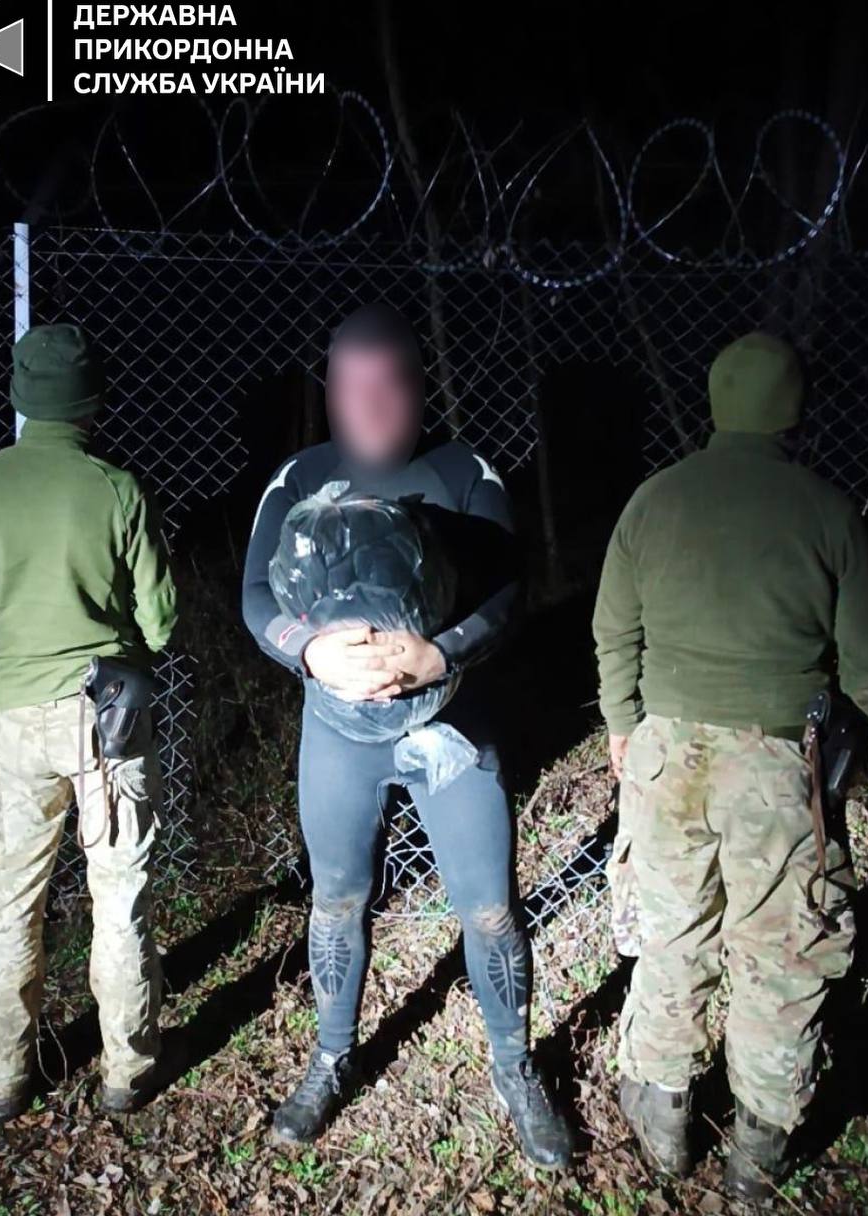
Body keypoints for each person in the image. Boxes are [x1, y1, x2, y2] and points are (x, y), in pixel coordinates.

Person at [242, 302, 572, 1169]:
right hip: (339, 735)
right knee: (337, 900)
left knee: (489, 906)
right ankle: (331, 1058)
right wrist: (308, 649)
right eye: (353, 387)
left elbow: (510, 592)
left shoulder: (465, 474)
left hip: (451, 729)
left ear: (421, 389)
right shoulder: (300, 477)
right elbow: (254, 596)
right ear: (329, 391)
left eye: (390, 386)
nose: (372, 405)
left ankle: (514, 1065)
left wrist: (441, 653)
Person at [592, 332, 868, 1200]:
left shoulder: (654, 500)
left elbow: (613, 630)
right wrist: (847, 755)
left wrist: (623, 726)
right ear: (797, 413)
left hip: (667, 758)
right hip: (778, 761)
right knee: (782, 953)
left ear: (717, 402)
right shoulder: (829, 511)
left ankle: (664, 1116)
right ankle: (758, 1148)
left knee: (672, 929)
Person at [0, 323, 179, 1127]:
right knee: (120, 895)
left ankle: (4, 1081)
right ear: (92, 402)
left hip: (16, 717)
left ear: (19, 394)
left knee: (12, 901)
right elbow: (161, 621)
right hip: (106, 713)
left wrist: (25, 632)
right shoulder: (116, 489)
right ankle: (127, 1073)